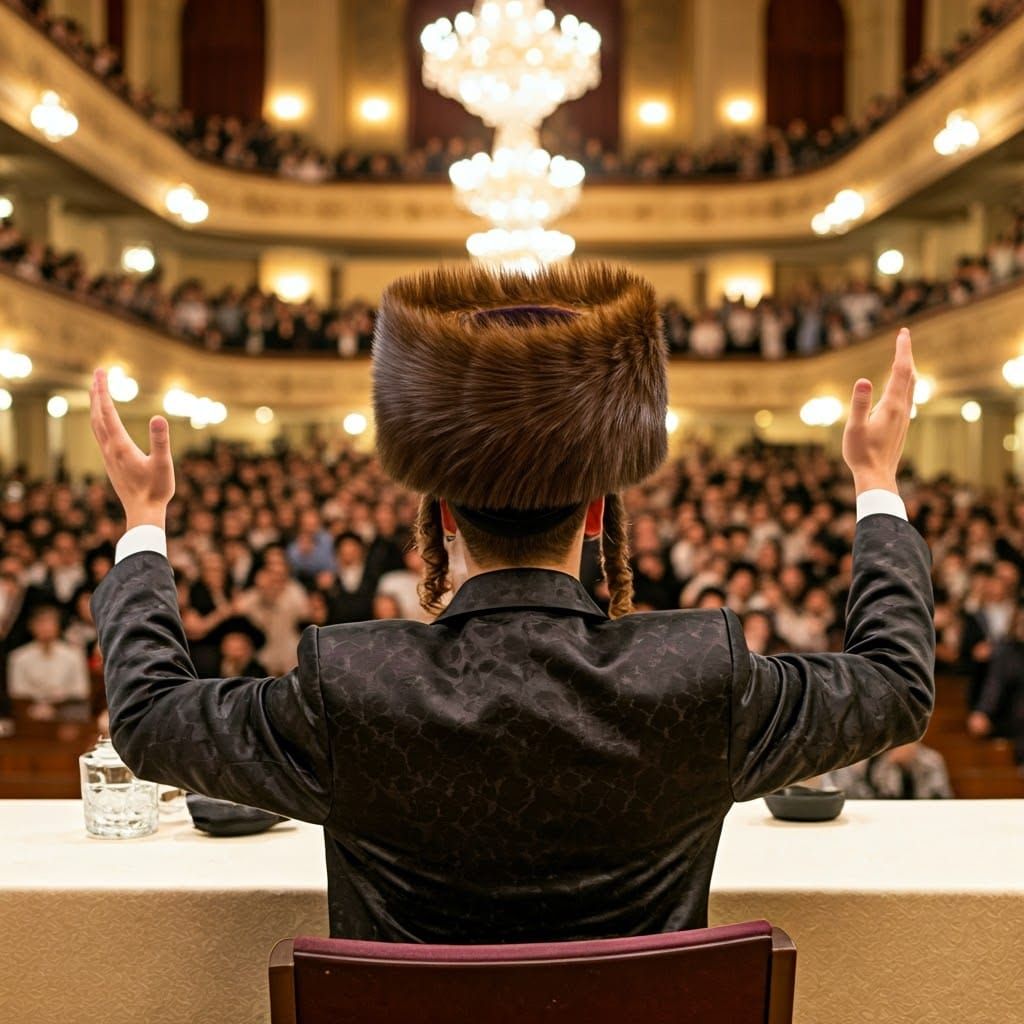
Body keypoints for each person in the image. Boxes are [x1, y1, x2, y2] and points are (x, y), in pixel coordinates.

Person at [89, 264, 933, 942]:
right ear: (598, 517)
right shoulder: (697, 670)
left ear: (442, 519)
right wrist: (876, 484)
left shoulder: (351, 679)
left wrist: (143, 524)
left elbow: (151, 718)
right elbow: (896, 684)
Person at [7, 604, 90, 719]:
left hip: (66, 711)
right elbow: (17, 691)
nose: (46, 628)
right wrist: (41, 704)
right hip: (30, 711)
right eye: (41, 623)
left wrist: (56, 703)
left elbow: (81, 690)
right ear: (31, 626)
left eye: (50, 623)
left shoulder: (75, 655)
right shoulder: (18, 657)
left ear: (58, 626)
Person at [822, 742, 953, 798]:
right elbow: (846, 801)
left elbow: (942, 802)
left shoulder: (930, 761)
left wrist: (908, 769)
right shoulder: (851, 760)